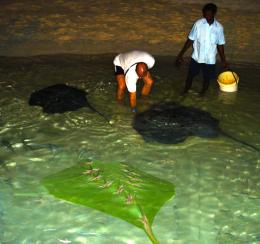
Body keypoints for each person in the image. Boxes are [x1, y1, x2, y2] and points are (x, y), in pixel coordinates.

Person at [175, 3, 228, 96]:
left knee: (206, 78)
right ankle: (185, 90)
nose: (207, 16)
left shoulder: (219, 28)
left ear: (214, 13)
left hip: (210, 59)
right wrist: (181, 54)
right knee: (190, 75)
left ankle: (202, 93)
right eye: (205, 14)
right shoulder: (198, 24)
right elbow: (190, 40)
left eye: (209, 14)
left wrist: (224, 60)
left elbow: (220, 45)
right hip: (197, 57)